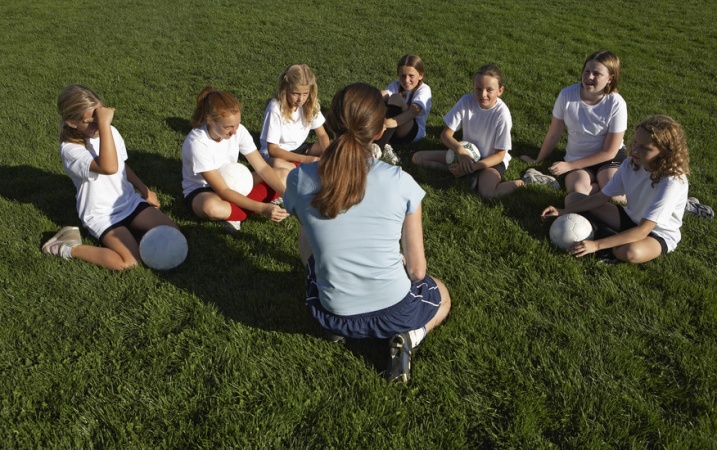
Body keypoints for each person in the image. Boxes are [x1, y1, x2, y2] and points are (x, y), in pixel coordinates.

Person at [283, 83, 451, 383]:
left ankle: (335, 326)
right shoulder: (400, 181)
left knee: (307, 223)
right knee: (442, 293)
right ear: (377, 132)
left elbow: (309, 229)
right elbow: (416, 270)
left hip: (330, 311)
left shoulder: (299, 179)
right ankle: (410, 337)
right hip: (393, 310)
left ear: (331, 123)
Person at [42, 85, 179, 270]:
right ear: (72, 122)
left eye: (100, 117)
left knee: (173, 234)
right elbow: (109, 167)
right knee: (130, 261)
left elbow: (121, 165)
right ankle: (69, 247)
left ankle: (132, 232)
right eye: (92, 120)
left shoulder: (110, 132)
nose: (98, 124)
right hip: (102, 215)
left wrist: (144, 189)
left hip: (129, 202)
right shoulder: (70, 149)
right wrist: (105, 125)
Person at [541, 115, 690, 264]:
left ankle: (604, 241)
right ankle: (608, 236)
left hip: (656, 234)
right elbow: (600, 197)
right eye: (635, 143)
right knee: (573, 199)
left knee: (630, 252)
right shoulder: (631, 164)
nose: (635, 150)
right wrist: (563, 211)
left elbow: (643, 230)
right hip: (630, 218)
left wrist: (596, 245)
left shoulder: (671, 181)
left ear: (664, 152)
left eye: (645, 148)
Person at [412, 64, 557, 197]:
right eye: (478, 89)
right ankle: (458, 170)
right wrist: (461, 152)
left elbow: (500, 154)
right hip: (467, 154)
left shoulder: (502, 114)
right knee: (417, 158)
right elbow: (445, 135)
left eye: (489, 90)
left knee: (487, 192)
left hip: (491, 161)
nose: (483, 94)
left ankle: (526, 180)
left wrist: (474, 167)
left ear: (500, 91)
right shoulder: (466, 101)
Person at [182, 86, 290, 232]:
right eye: (228, 127)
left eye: (237, 124)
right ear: (210, 121)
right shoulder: (197, 143)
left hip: (235, 181)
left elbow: (263, 168)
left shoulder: (238, 131)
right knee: (211, 207)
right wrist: (262, 207)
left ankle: (237, 211)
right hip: (204, 190)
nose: (234, 131)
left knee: (284, 175)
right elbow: (223, 190)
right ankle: (246, 210)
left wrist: (286, 194)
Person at [521, 50, 627, 198]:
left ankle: (602, 188)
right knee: (578, 192)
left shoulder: (616, 103)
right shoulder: (567, 95)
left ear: (610, 78)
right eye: (587, 71)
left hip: (609, 158)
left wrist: (568, 166)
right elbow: (554, 133)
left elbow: (609, 151)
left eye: (597, 74)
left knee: (617, 197)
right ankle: (599, 190)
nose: (589, 77)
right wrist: (538, 160)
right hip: (577, 156)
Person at [259, 64, 330, 184]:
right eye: (295, 93)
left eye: (305, 94)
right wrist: (306, 159)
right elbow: (273, 150)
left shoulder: (309, 104)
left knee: (336, 148)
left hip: (300, 148)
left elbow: (322, 135)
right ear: (285, 89)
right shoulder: (275, 108)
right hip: (277, 154)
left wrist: (329, 155)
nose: (300, 99)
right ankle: (306, 177)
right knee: (282, 166)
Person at [373, 54, 433, 165]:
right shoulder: (396, 85)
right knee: (380, 98)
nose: (406, 80)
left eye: (411, 76)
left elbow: (413, 112)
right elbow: (384, 95)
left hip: (412, 132)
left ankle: (379, 147)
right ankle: (386, 143)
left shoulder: (424, 89)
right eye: (402, 76)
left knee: (396, 98)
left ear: (421, 75)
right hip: (393, 130)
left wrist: (387, 124)